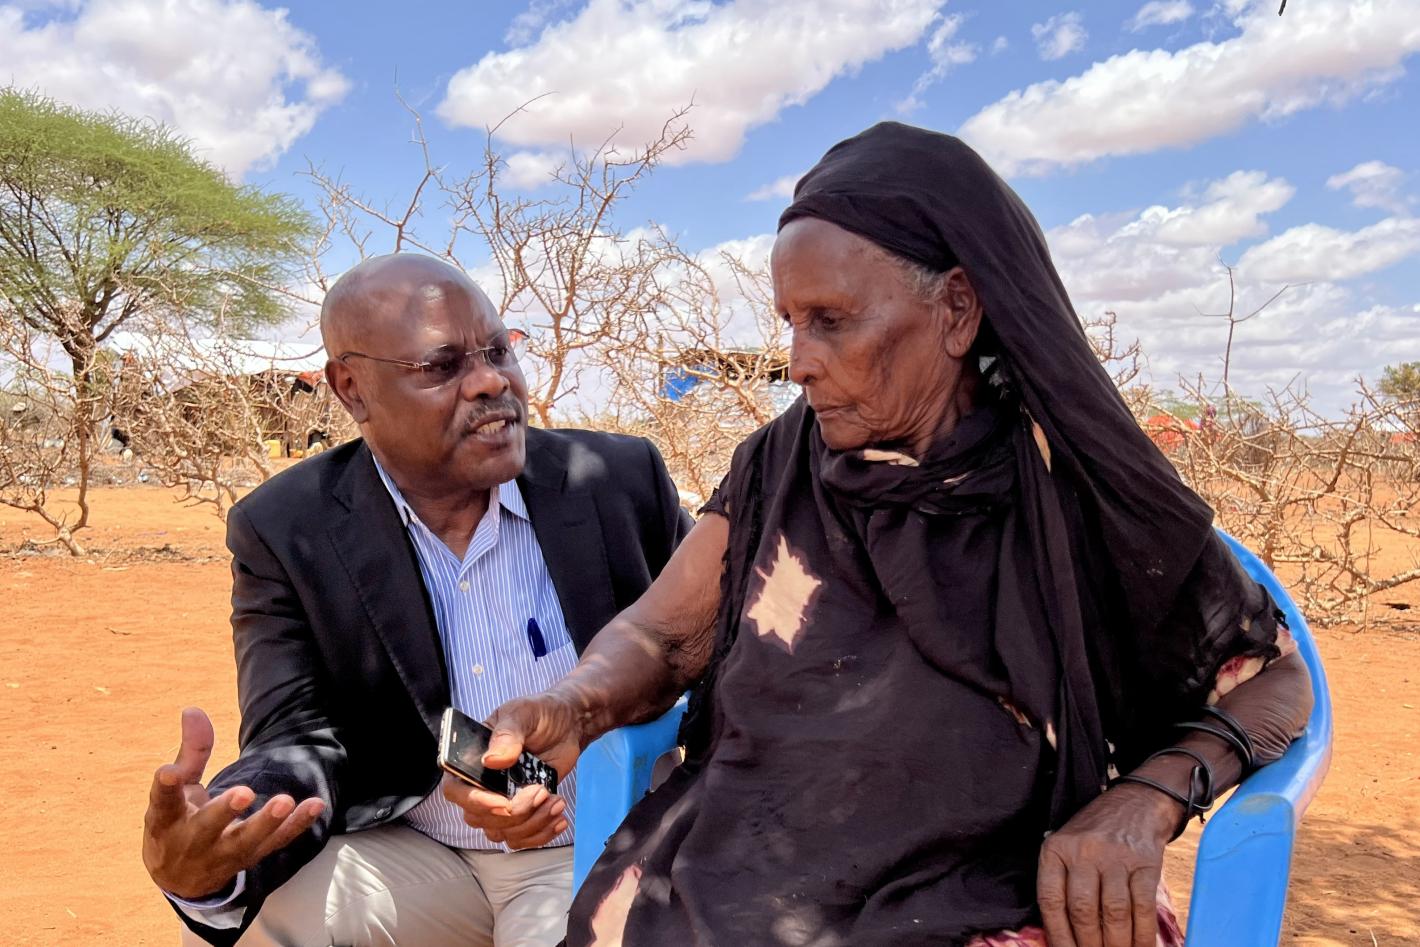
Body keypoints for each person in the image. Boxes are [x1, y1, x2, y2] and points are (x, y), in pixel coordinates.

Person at [463, 123, 1315, 947]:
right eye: (790, 321)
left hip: (993, 885)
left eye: (831, 320)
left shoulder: (1072, 481)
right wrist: (574, 704)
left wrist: (1147, 797)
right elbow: (662, 632)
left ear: (957, 309)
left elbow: (1275, 681)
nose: (798, 359)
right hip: (740, 871)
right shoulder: (781, 462)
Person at [140, 254, 692, 947]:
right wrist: (228, 829)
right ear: (352, 389)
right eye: (442, 365)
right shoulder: (288, 526)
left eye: (499, 351)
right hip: (419, 849)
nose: (491, 381)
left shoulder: (617, 480)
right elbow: (294, 731)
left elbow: (715, 646)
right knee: (256, 918)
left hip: (594, 847)